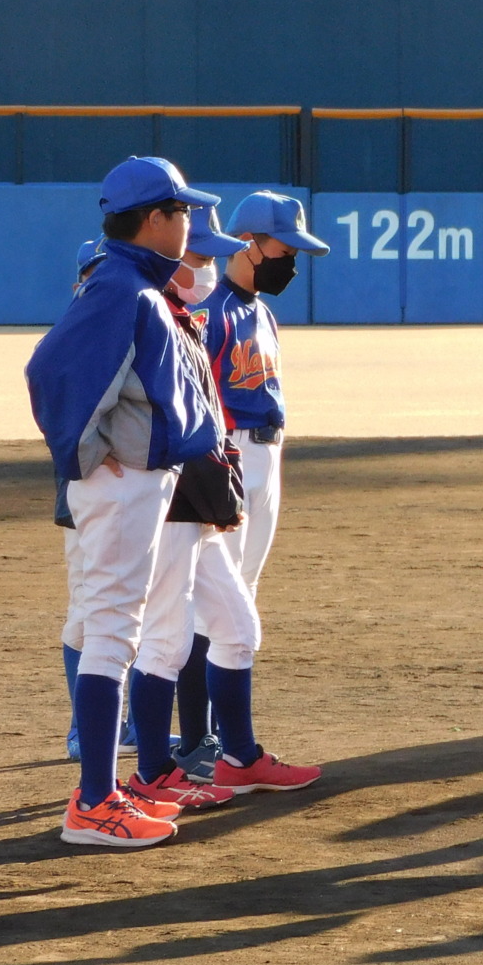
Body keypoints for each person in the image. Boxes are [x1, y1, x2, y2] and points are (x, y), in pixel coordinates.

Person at [26, 157, 224, 847]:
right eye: (184, 211)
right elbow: (48, 370)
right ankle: (93, 804)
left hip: (144, 479)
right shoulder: (120, 284)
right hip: (122, 486)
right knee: (112, 632)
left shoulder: (134, 283)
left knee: (120, 631)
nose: (192, 223)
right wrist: (81, 452)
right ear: (155, 219)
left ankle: (104, 795)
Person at [130, 206, 323, 802]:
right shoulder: (198, 314)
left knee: (238, 609)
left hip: (262, 451)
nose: (289, 259)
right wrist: (215, 472)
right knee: (186, 617)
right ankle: (191, 745)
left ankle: (231, 751)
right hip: (216, 459)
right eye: (281, 247)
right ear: (248, 243)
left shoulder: (259, 311)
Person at [57, 239, 111, 761]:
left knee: (128, 612)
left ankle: (133, 726)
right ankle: (82, 730)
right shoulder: (76, 332)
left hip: (127, 498)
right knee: (87, 613)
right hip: (83, 498)